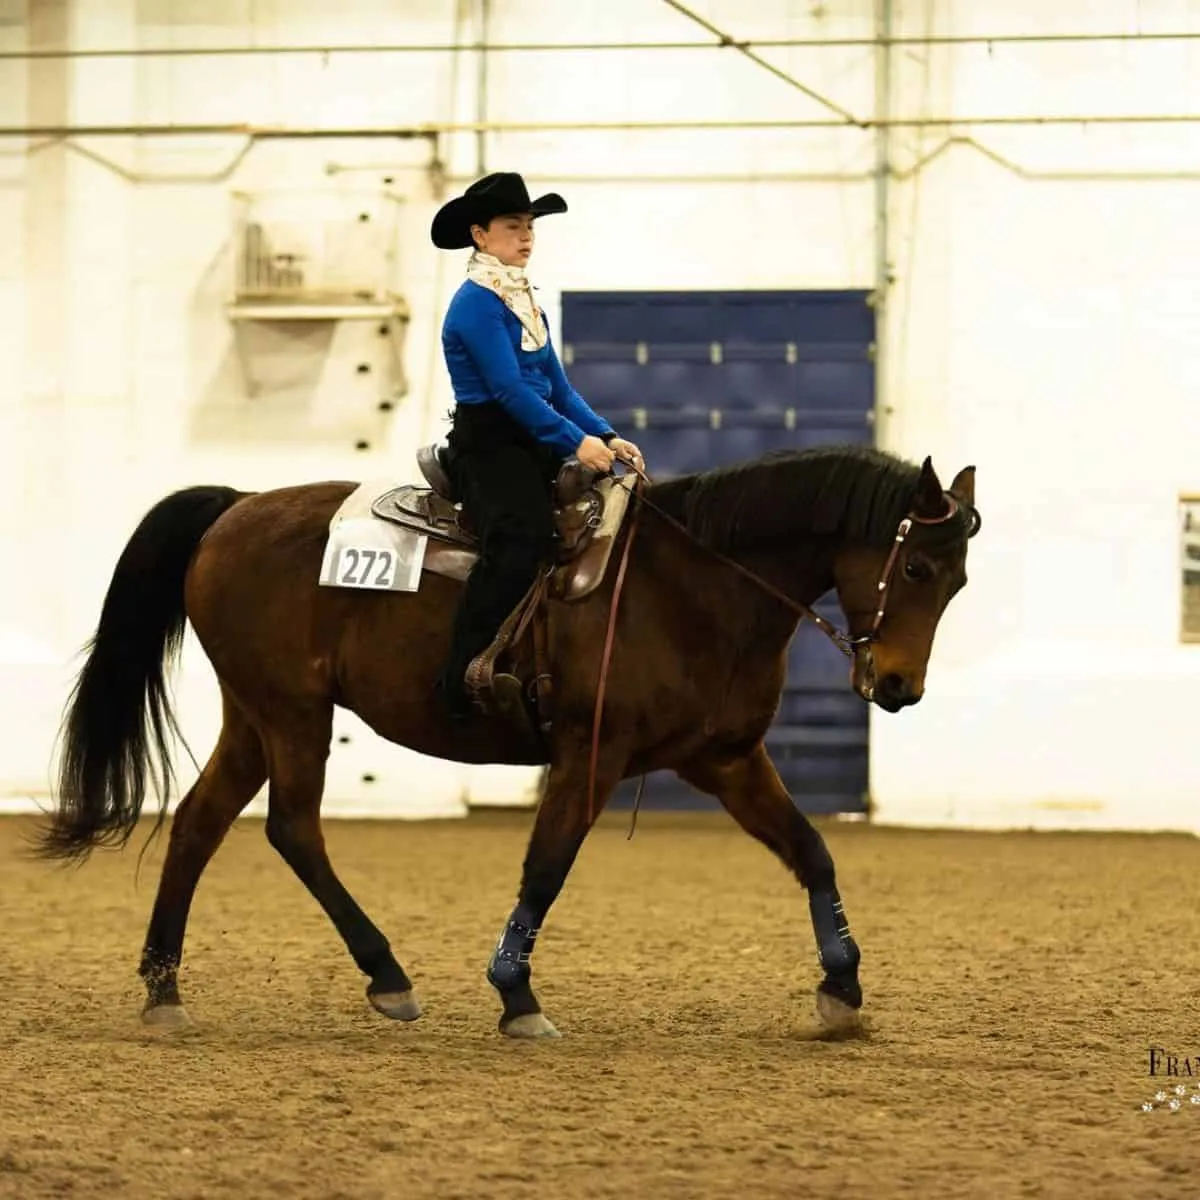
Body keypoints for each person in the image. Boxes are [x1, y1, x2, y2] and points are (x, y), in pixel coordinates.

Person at [429, 171, 643, 720]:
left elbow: (559, 388)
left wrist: (608, 435)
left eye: (529, 226)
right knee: (520, 536)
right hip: (491, 444)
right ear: (480, 235)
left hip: (534, 436)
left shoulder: (525, 303)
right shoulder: (476, 304)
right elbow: (508, 390)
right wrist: (577, 441)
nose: (526, 236)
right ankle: (461, 674)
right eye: (512, 226)